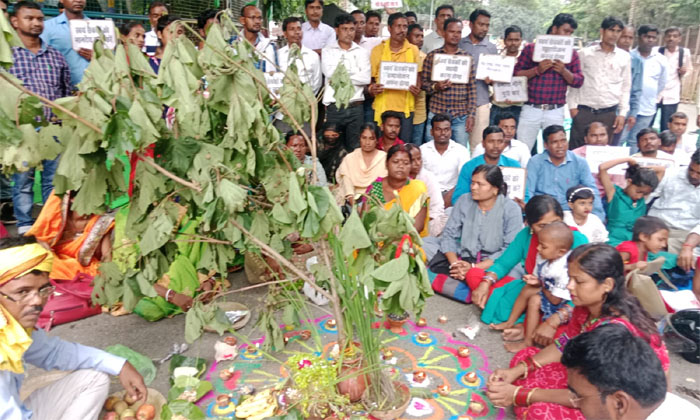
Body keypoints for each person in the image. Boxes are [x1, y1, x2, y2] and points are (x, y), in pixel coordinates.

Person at [485, 243, 669, 420]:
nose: (569, 286)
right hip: (592, 382)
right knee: (526, 357)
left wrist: (520, 394)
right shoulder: (585, 307)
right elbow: (564, 344)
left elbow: (592, 395)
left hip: (615, 401)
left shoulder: (612, 333)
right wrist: (519, 370)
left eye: (579, 281)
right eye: (569, 278)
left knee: (540, 412)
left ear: (607, 284)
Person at [0, 236, 147, 420]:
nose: (37, 301)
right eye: (23, 292)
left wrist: (120, 365)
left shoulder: (11, 328)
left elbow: (53, 353)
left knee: (95, 379)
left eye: (43, 290)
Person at [472, 196, 588, 325]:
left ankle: (529, 323)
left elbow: (586, 285)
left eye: (555, 222)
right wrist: (486, 282)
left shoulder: (576, 239)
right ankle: (527, 322)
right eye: (542, 226)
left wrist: (561, 315)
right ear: (530, 225)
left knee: (565, 330)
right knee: (475, 275)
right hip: (534, 288)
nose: (550, 229)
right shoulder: (526, 235)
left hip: (567, 297)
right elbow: (503, 264)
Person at [9, 1, 71, 235]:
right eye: (29, 18)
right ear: (15, 22)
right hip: (21, 130)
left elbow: (65, 93)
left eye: (40, 19)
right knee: (23, 180)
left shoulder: (55, 57)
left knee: (52, 180)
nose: (36, 23)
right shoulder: (7, 56)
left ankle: (49, 223)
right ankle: (24, 225)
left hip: (52, 128)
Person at [427, 165, 523, 303]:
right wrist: (455, 264)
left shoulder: (511, 209)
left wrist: (474, 268)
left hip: (491, 262)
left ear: (495, 189)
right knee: (425, 244)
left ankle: (464, 283)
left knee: (515, 270)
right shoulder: (464, 200)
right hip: (463, 256)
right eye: (472, 182)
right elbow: (449, 234)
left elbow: (509, 249)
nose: (473, 187)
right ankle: (474, 285)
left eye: (480, 184)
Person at [493, 222, 573, 353]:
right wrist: (535, 280)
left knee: (535, 299)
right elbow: (539, 276)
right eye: (539, 244)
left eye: (543, 246)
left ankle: (532, 341)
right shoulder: (544, 256)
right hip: (548, 292)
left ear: (561, 252)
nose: (538, 248)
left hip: (562, 302)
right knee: (530, 294)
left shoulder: (563, 269)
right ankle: (522, 336)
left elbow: (555, 300)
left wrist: (541, 284)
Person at [514, 14, 584, 150]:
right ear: (554, 29)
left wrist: (564, 71)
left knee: (554, 150)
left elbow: (579, 81)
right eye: (565, 31)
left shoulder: (571, 54)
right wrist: (537, 70)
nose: (568, 36)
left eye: (571, 33)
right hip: (531, 107)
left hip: (555, 110)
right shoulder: (531, 49)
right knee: (522, 149)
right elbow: (516, 75)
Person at [567, 17, 630, 149]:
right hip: (584, 111)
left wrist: (622, 113)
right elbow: (575, 82)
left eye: (618, 31)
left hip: (609, 113)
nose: (614, 34)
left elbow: (625, 86)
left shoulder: (624, 57)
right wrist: (573, 108)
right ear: (602, 31)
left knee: (605, 153)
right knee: (577, 150)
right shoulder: (584, 54)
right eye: (611, 30)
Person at [25, 190, 114, 281]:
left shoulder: (101, 222)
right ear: (72, 199)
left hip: (83, 266)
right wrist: (43, 245)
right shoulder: (57, 215)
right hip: (55, 260)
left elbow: (106, 256)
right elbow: (35, 238)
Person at [525, 125, 605, 219]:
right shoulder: (535, 162)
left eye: (563, 140)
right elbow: (528, 191)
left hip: (571, 212)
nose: (560, 146)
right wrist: (529, 215)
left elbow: (591, 190)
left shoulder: (579, 162)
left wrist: (598, 217)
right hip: (543, 212)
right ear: (545, 145)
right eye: (555, 142)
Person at [421, 18, 476, 147]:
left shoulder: (467, 58)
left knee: (461, 153)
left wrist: (471, 115)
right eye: (452, 31)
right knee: (431, 151)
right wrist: (436, 86)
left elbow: (472, 89)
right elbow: (423, 83)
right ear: (444, 33)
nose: (455, 35)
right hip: (436, 113)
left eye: (459, 32)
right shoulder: (432, 56)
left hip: (460, 115)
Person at [369, 12, 421, 142]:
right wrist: (372, 88)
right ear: (389, 28)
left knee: (403, 148)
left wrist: (417, 88)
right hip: (383, 108)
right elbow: (371, 79)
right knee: (381, 147)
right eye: (398, 26)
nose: (402, 30)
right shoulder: (378, 50)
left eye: (405, 26)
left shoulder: (413, 50)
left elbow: (417, 76)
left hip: (405, 109)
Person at [322, 13, 371, 151]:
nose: (349, 33)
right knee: (331, 147)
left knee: (354, 148)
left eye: (351, 29)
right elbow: (330, 74)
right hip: (335, 107)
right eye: (345, 29)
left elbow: (366, 78)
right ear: (336, 30)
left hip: (356, 107)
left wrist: (342, 75)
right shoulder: (328, 51)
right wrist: (354, 73)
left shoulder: (362, 52)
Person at [362, 144, 429, 236]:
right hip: (376, 241)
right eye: (395, 162)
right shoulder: (375, 188)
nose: (401, 166)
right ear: (386, 164)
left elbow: (417, 226)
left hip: (408, 243)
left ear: (410, 166)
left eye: (406, 163)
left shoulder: (418, 188)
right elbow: (365, 221)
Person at [459, 9, 498, 153]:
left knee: (478, 146)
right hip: (460, 102)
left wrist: (493, 81)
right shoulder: (460, 44)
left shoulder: (492, 48)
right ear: (471, 24)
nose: (484, 29)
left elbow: (497, 79)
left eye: (487, 25)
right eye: (481, 24)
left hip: (481, 103)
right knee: (459, 145)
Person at [623, 25, 668, 153]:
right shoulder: (629, 56)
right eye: (647, 36)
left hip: (647, 108)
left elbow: (661, 83)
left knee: (637, 141)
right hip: (628, 107)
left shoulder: (661, 60)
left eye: (653, 37)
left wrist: (651, 96)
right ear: (639, 37)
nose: (650, 40)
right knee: (621, 139)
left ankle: (632, 169)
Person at [275, 16, 322, 135]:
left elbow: (316, 84)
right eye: (292, 29)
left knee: (304, 146)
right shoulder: (278, 56)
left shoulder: (312, 56)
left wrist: (303, 98)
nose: (296, 32)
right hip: (282, 112)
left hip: (304, 112)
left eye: (299, 29)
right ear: (285, 33)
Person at [648, 149, 700, 253]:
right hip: (658, 225)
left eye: (699, 173)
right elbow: (647, 197)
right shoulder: (671, 173)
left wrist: (688, 245)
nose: (693, 175)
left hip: (688, 233)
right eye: (691, 170)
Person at [452, 126, 521, 205]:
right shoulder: (469, 167)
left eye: (500, 141)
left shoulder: (514, 165)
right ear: (483, 144)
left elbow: (525, 198)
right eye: (491, 141)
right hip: (475, 212)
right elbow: (458, 199)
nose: (496, 146)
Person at [599, 158, 660, 246]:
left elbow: (661, 170)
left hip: (635, 242)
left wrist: (638, 169)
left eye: (644, 193)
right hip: (613, 240)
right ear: (629, 182)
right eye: (638, 191)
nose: (640, 196)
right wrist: (629, 159)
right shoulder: (614, 193)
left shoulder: (642, 199)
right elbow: (602, 168)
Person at [419, 113, 470, 207]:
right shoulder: (422, 150)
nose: (443, 133)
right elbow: (419, 178)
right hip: (427, 195)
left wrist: (449, 197)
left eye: (446, 129)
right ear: (431, 132)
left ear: (451, 131)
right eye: (438, 129)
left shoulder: (461, 151)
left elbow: (464, 179)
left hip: (452, 195)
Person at [41, 0, 93, 87]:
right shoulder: (47, 27)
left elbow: (110, 61)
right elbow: (40, 60)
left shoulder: (97, 27)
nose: (78, 0)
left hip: (92, 89)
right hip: (61, 90)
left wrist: (97, 57)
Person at [652, 27, 693, 132]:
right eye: (669, 36)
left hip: (672, 93)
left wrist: (684, 72)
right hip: (654, 94)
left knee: (668, 126)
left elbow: (689, 69)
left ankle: (665, 146)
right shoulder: (656, 51)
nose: (671, 38)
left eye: (675, 36)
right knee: (648, 123)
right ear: (665, 38)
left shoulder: (685, 53)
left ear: (679, 38)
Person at [336, 123, 387, 204]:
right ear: (359, 138)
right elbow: (347, 182)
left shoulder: (384, 158)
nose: (367, 142)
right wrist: (352, 202)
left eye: (371, 138)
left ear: (377, 140)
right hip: (352, 198)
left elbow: (384, 184)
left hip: (377, 199)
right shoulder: (350, 158)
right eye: (364, 138)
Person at [571, 121, 623, 197]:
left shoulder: (616, 155)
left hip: (608, 196)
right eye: (593, 135)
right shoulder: (574, 155)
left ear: (608, 136)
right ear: (586, 139)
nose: (599, 139)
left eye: (602, 135)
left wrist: (605, 180)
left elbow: (619, 185)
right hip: (581, 196)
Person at [406, 144, 447, 236]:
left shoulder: (428, 177)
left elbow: (437, 206)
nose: (417, 163)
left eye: (419, 159)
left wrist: (421, 223)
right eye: (413, 160)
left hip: (427, 221)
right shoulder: (398, 179)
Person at [613, 24, 643, 146]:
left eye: (630, 38)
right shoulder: (609, 56)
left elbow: (636, 89)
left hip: (623, 110)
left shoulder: (636, 61)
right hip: (605, 109)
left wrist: (633, 113)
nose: (626, 40)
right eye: (623, 36)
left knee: (618, 142)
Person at [489, 25, 524, 125]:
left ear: (521, 41)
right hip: (498, 106)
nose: (513, 43)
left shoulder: (525, 60)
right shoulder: (495, 60)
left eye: (516, 40)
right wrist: (490, 82)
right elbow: (491, 82)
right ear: (504, 41)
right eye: (510, 40)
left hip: (518, 107)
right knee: (495, 136)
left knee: (516, 139)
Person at [235, 5, 277, 73]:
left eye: (259, 18)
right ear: (242, 20)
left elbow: (276, 77)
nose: (257, 21)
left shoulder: (269, 46)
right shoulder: (232, 44)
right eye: (252, 17)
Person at [407, 23, 427, 145]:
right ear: (407, 36)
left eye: (422, 36)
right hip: (401, 107)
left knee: (415, 146)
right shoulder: (402, 56)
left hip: (419, 109)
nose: (420, 39)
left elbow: (428, 82)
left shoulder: (425, 58)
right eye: (416, 36)